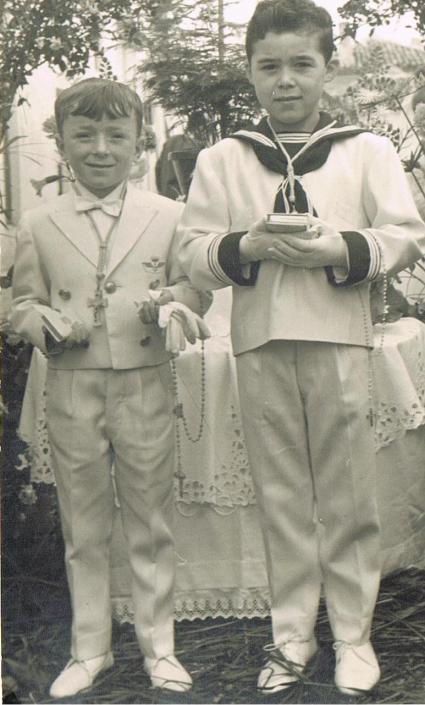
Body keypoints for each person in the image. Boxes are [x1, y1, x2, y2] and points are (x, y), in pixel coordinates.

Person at [177, 0, 425, 696]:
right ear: (250, 72)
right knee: (280, 494)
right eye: (269, 67)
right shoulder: (224, 158)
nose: (285, 80)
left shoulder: (365, 150)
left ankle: (352, 635)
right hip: (259, 341)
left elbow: (405, 233)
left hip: (340, 338)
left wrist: (339, 247)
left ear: (327, 68)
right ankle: (292, 634)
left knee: (346, 493)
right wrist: (246, 245)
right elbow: (192, 251)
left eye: (300, 64)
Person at [10, 77, 210, 698]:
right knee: (84, 522)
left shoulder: (169, 215)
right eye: (85, 135)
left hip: (145, 381)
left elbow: (194, 288)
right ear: (63, 143)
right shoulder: (39, 222)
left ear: (138, 143)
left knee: (151, 518)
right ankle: (90, 648)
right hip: (73, 384)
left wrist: (170, 303)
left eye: (115, 135)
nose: (100, 148)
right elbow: (21, 302)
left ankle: (159, 648)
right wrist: (40, 321)